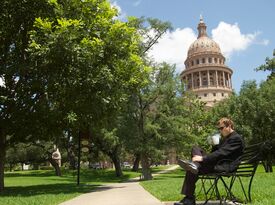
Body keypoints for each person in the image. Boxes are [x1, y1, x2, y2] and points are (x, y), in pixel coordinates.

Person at [174, 117, 245, 205]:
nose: (220, 131)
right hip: (217, 163)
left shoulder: (236, 138)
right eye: (219, 129)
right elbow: (215, 153)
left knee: (191, 169)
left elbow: (221, 153)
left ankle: (189, 198)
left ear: (229, 126)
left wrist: (202, 158)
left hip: (224, 166)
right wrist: (214, 144)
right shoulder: (226, 139)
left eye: (221, 128)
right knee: (195, 148)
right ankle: (194, 166)